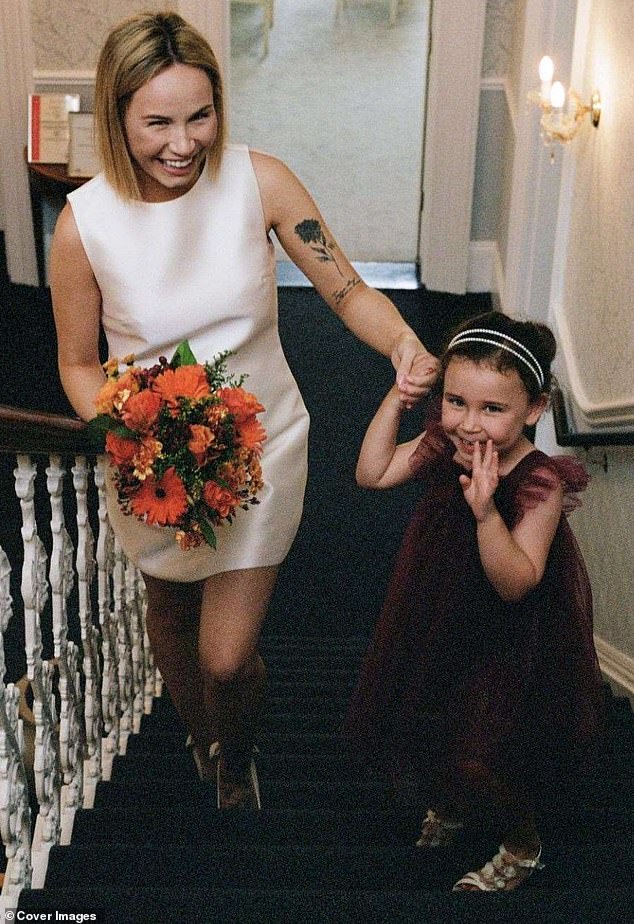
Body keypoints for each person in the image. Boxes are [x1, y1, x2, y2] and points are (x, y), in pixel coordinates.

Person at [49, 10, 438, 810]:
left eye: (201, 115)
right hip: (151, 455)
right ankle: (201, 735)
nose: (184, 143)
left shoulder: (261, 180)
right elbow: (77, 361)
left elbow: (348, 287)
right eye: (157, 122)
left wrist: (399, 341)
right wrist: (132, 435)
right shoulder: (83, 224)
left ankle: (237, 750)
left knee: (227, 657)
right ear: (118, 118)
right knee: (169, 601)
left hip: (261, 445)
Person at [344, 310, 605, 891]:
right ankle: (452, 805)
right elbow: (373, 472)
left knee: (484, 747)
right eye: (456, 401)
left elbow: (516, 582)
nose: (469, 424)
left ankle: (521, 840)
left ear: (535, 409)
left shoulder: (540, 479)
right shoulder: (444, 441)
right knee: (429, 709)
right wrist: (397, 399)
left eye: (493, 409)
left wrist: (485, 509)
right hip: (438, 603)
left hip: (509, 629)